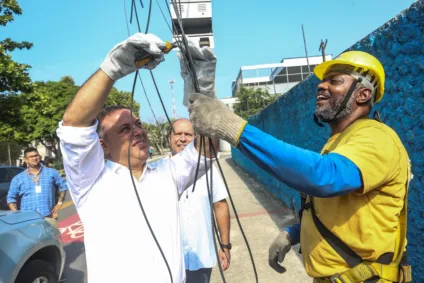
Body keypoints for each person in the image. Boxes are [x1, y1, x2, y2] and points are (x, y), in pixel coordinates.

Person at [188, 51, 412, 282]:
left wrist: (234, 129)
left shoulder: (377, 136)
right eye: (322, 81)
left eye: (334, 80)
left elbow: (324, 177)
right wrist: (294, 233)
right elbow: (338, 209)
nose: (321, 86)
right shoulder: (340, 141)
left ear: (363, 94)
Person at [56, 33, 217, 283]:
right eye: (124, 129)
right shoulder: (90, 180)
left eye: (138, 124)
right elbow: (73, 125)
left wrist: (205, 92)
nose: (139, 131)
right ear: (103, 146)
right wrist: (114, 67)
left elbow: (206, 148)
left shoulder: (168, 173)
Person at [168, 118, 231, 283]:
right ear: (169, 139)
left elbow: (220, 206)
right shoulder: (156, 171)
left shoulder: (209, 169)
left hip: (200, 257)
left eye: (188, 134)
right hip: (169, 261)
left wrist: (225, 245)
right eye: (178, 134)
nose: (183, 138)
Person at [7, 147, 67, 226]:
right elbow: (11, 198)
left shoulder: (51, 172)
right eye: (31, 156)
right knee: (31, 239)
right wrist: (18, 215)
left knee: (53, 238)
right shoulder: (18, 178)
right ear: (25, 159)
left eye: (36, 155)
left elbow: (63, 187)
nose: (34, 158)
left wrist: (59, 204)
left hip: (49, 217)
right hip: (28, 220)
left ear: (40, 157)